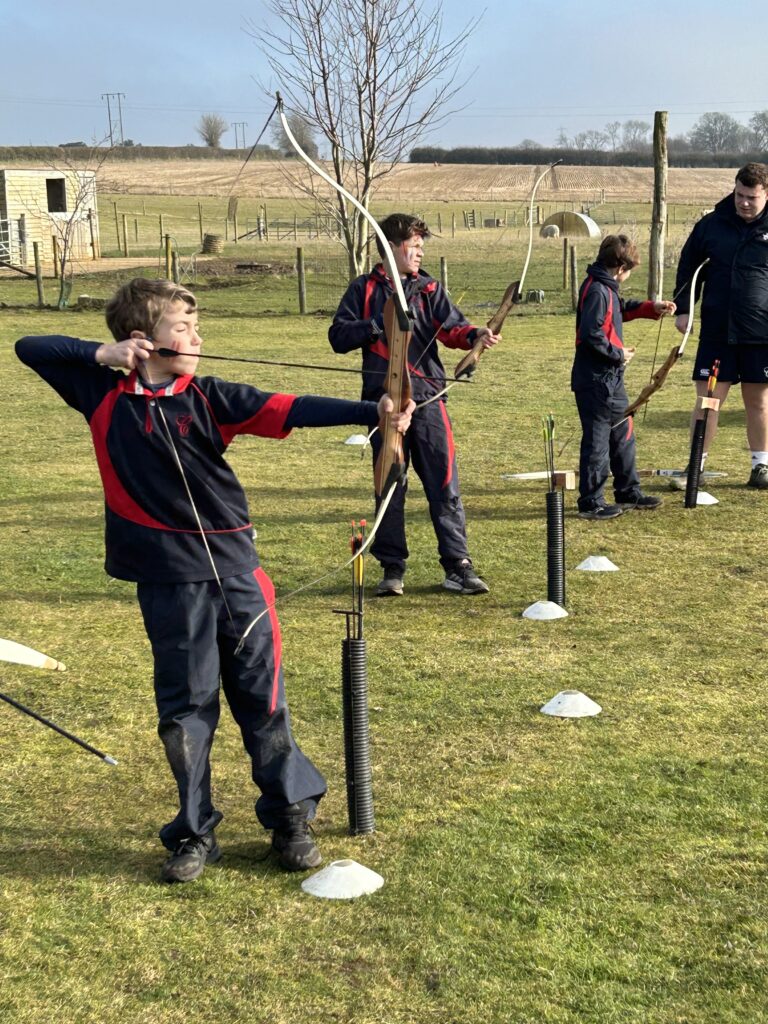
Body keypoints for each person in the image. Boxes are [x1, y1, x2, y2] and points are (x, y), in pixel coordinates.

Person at [15, 278, 413, 884]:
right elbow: (29, 345)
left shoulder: (210, 396)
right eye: (184, 329)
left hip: (236, 575)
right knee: (186, 711)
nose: (197, 339)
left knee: (262, 698)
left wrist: (375, 411)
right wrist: (105, 355)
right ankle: (195, 832)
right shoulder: (98, 392)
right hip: (168, 580)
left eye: (196, 329)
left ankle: (290, 817)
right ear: (142, 339)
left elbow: (290, 407)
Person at [328, 214, 499, 596]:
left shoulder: (428, 289)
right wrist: (379, 323)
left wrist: (476, 335)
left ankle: (458, 565)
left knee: (444, 482)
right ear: (391, 248)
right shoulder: (363, 289)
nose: (420, 252)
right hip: (384, 402)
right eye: (413, 245)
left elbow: (452, 327)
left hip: (428, 400)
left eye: (423, 245)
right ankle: (392, 568)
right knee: (390, 485)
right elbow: (338, 336)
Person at [674, 162, 768, 489]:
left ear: (765, 194)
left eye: (751, 198)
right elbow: (688, 266)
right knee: (709, 401)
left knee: (757, 401)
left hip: (761, 334)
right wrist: (684, 310)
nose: (743, 202)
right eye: (740, 194)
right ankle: (695, 466)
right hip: (717, 331)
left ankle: (760, 467)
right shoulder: (712, 225)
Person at [572, 235, 676, 520]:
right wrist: (617, 353)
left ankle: (628, 491)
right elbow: (590, 334)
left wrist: (650, 308)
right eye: (629, 270)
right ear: (620, 267)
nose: (628, 276)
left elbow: (621, 309)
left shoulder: (607, 287)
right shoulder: (596, 290)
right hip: (595, 380)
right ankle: (591, 501)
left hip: (611, 379)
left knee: (623, 434)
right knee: (598, 440)